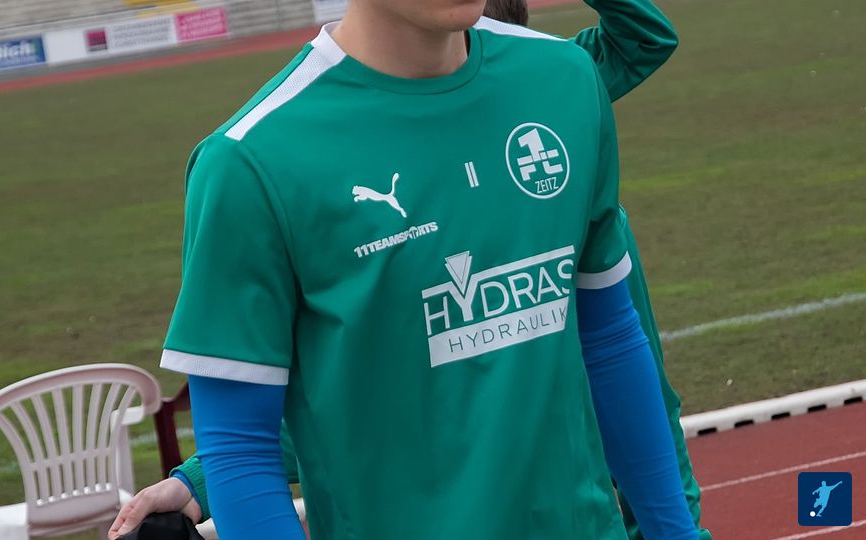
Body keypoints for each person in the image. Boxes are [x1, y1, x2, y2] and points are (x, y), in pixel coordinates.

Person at [110, 1, 707, 539]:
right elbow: (241, 448)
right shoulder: (248, 162)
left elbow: (608, 337)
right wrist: (196, 482)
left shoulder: (564, 79)